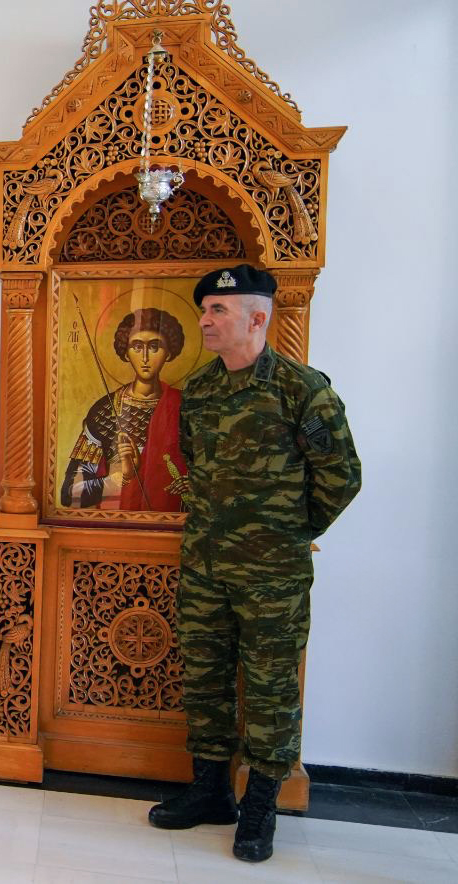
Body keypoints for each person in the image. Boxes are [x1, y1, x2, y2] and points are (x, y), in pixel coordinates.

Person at [147, 264, 360, 863]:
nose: (205, 321)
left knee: (269, 689)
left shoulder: (303, 390)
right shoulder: (203, 391)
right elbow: (194, 464)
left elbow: (342, 479)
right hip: (205, 566)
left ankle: (261, 805)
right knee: (206, 678)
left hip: (274, 577)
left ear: (258, 317)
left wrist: (288, 534)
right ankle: (211, 791)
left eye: (218, 311)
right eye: (204, 311)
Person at [61, 307, 189, 511]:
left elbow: (214, 477)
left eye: (154, 346)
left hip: (171, 527)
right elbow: (70, 493)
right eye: (137, 347)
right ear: (126, 352)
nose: (145, 357)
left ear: (169, 352)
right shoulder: (104, 411)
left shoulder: (186, 407)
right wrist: (121, 477)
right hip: (116, 522)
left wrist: (192, 486)